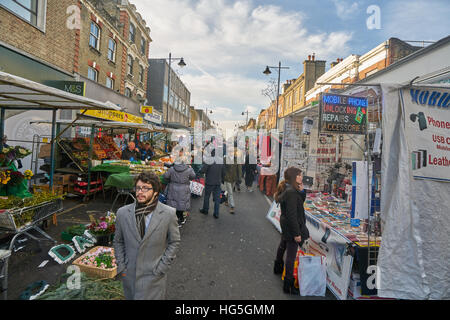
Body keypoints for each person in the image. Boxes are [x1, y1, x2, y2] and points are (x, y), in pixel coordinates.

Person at [113, 171, 180, 300]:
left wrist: (162, 268)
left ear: (155, 192)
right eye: (138, 188)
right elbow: (118, 241)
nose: (140, 192)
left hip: (154, 278)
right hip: (130, 276)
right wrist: (122, 266)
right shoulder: (122, 213)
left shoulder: (168, 214)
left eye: (146, 188)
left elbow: (174, 241)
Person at [273, 167, 310, 295]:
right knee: (291, 255)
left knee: (283, 244)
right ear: (294, 177)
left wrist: (302, 190)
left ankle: (278, 266)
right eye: (300, 175)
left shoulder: (290, 189)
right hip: (291, 226)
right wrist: (297, 234)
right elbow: (292, 215)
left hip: (286, 224)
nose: (301, 177)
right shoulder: (291, 192)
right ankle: (288, 284)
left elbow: (300, 201)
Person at [163, 150, 196, 226]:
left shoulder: (172, 168)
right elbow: (193, 176)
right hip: (184, 189)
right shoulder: (189, 169)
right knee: (181, 203)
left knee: (173, 203)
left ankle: (174, 219)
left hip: (173, 188)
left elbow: (165, 176)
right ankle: (181, 219)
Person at [199, 151, 225, 219]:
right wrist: (222, 179)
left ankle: (205, 210)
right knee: (217, 198)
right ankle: (216, 213)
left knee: (207, 196)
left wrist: (200, 170)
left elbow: (203, 170)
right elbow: (223, 172)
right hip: (217, 182)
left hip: (209, 182)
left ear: (211, 154)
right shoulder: (221, 161)